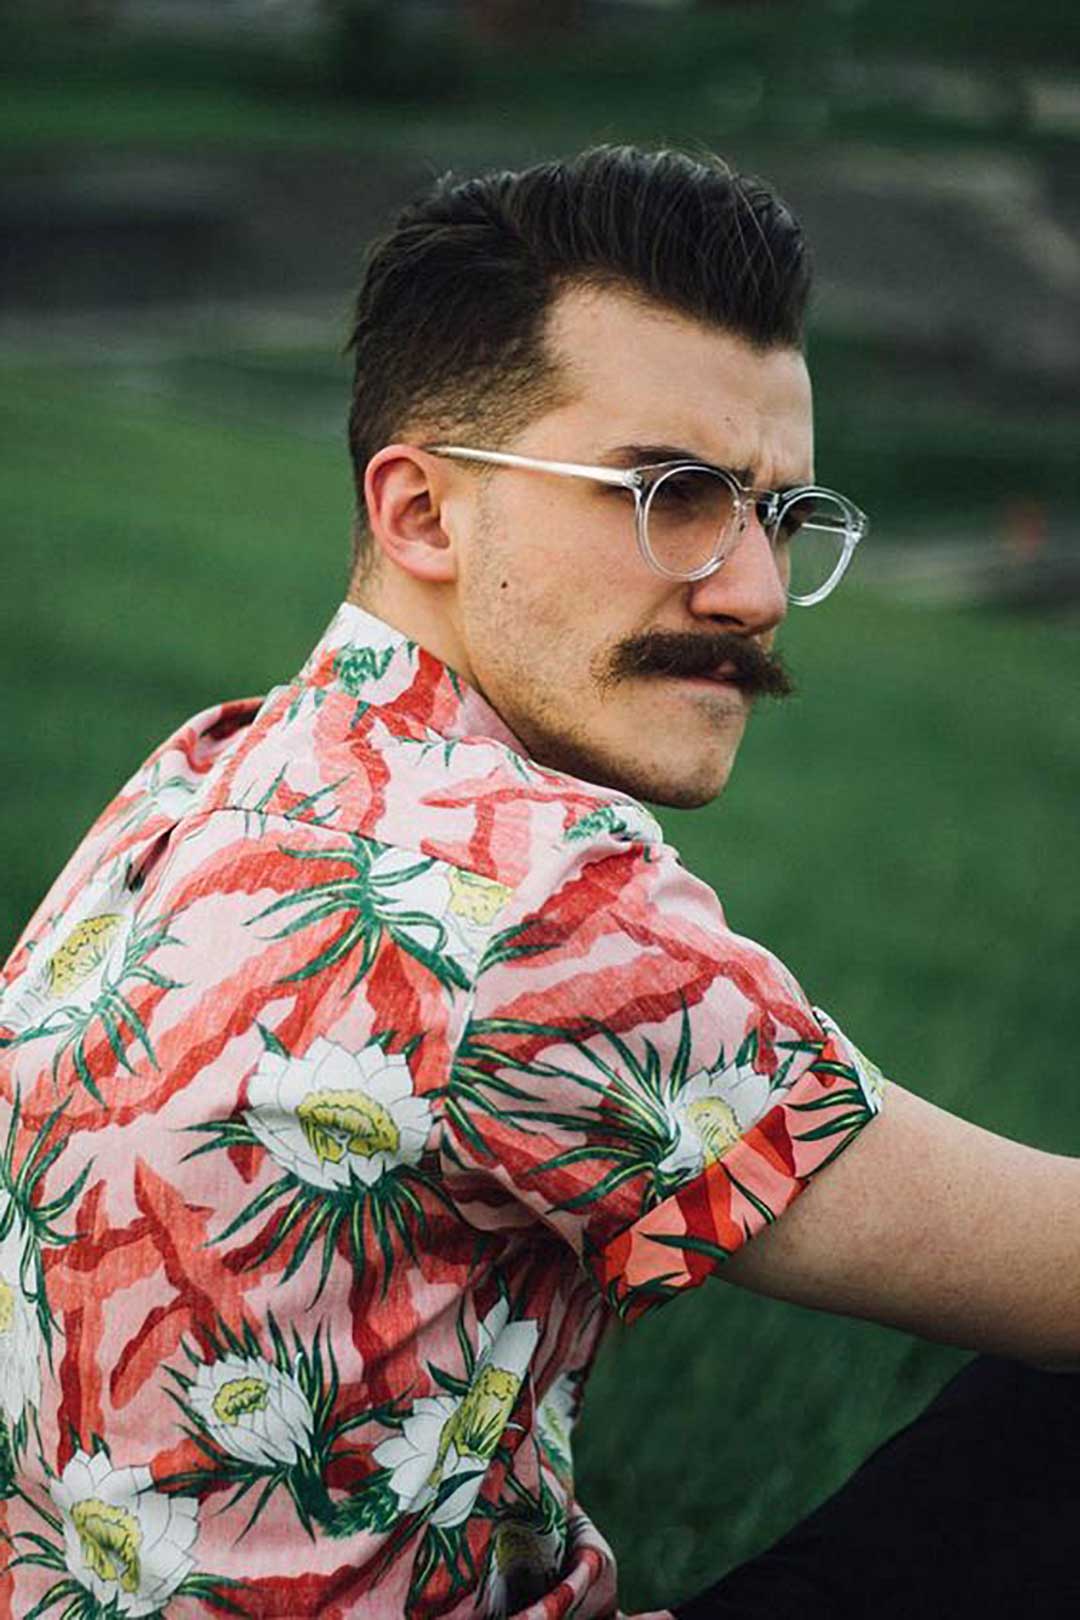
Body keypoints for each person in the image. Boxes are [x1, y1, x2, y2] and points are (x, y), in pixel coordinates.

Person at [0, 145, 1076, 1620]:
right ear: (424, 512)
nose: (754, 590)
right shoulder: (531, 908)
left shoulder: (209, 773)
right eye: (672, 495)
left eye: (781, 515)